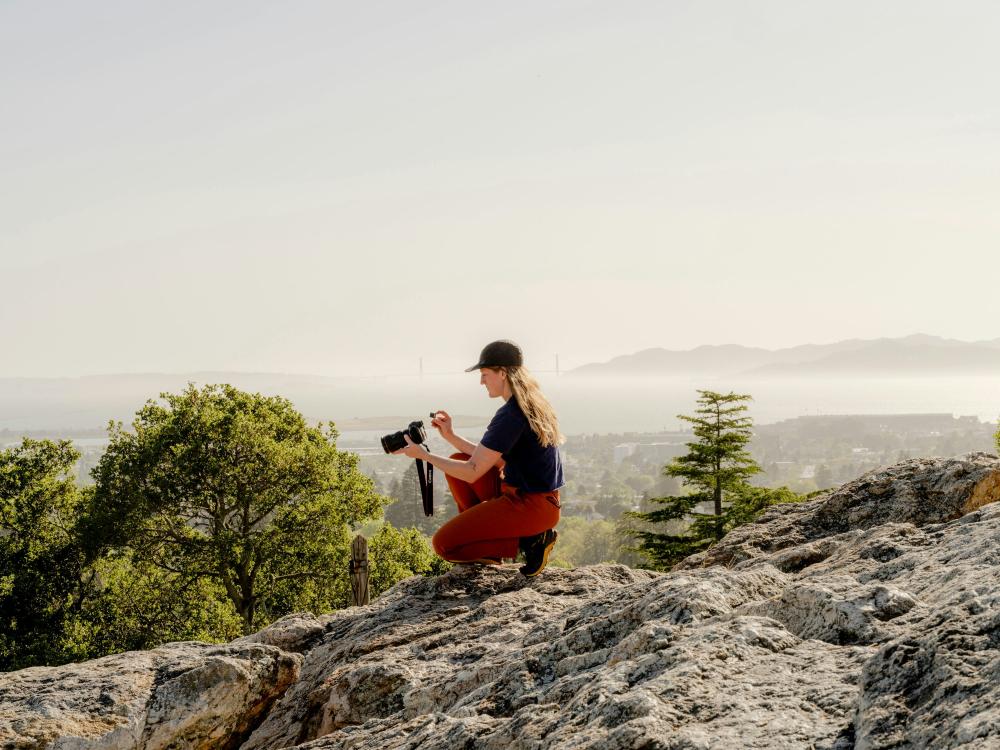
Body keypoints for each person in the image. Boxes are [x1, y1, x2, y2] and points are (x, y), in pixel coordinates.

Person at [392, 340, 564, 576]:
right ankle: (490, 548)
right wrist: (449, 435)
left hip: (530, 507)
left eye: (484, 374)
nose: (481, 381)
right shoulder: (526, 406)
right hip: (537, 501)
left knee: (445, 545)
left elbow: (474, 470)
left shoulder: (511, 416)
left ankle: (531, 542)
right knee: (458, 456)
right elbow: (491, 458)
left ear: (502, 373)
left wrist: (424, 455)